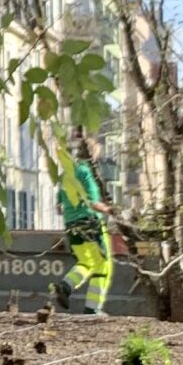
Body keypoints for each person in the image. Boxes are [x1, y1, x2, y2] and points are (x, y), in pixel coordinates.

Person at [54, 135, 113, 317]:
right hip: (89, 223)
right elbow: (93, 203)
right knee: (103, 265)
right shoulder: (86, 172)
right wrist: (111, 210)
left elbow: (59, 207)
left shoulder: (65, 175)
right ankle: (92, 308)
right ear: (90, 155)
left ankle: (66, 286)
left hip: (71, 226)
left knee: (86, 262)